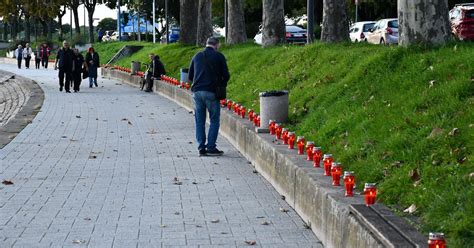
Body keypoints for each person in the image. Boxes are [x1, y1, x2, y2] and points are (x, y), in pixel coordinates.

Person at [188, 37, 230, 157]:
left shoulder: (197, 56)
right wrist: (221, 84)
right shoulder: (219, 56)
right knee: (214, 120)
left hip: (197, 92)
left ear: (206, 44)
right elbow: (226, 75)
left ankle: (201, 148)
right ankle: (211, 147)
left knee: (199, 121)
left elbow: (190, 76)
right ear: (217, 45)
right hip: (211, 92)